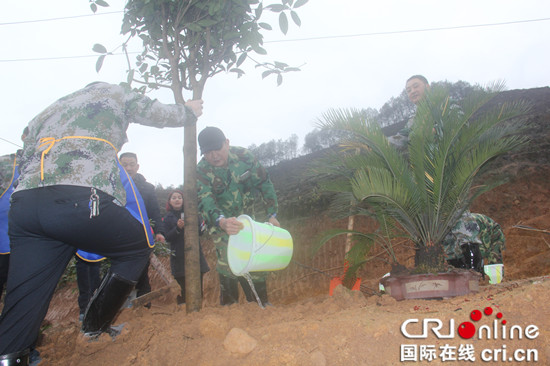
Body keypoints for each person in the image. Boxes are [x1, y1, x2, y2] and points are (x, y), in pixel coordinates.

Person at [0, 81, 203, 364]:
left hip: (25, 205)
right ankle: (94, 329)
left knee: (25, 294)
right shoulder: (113, 92)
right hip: (80, 196)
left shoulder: (53, 106)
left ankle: (10, 355)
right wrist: (189, 112)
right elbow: (154, 111)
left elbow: (26, 143)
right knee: (136, 248)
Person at [196, 126, 279, 307]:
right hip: (222, 224)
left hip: (249, 221)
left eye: (217, 149)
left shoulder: (245, 157)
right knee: (228, 263)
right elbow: (205, 201)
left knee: (255, 259)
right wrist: (222, 222)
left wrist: (272, 214)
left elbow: (265, 182)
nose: (214, 155)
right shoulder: (201, 171)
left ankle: (261, 304)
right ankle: (229, 307)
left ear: (227, 143)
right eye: (208, 152)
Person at [119, 152, 165, 304]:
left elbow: (155, 212)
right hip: (117, 237)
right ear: (119, 166)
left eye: (132, 164)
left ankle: (145, 305)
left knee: (142, 270)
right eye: (124, 164)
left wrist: (159, 231)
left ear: (137, 166)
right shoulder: (112, 186)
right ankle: (121, 307)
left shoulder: (147, 188)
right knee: (119, 271)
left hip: (141, 236)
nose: (129, 168)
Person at [162, 190, 209, 305]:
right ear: (170, 202)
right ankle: (182, 312)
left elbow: (201, 231)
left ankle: (198, 310)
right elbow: (167, 237)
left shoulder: (192, 213)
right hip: (179, 257)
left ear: (184, 200)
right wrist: (177, 228)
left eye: (179, 197)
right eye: (174, 198)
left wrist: (203, 223)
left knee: (197, 285)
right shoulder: (167, 218)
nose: (177, 199)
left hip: (195, 255)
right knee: (181, 288)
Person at [388, 75, 430, 148]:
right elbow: (401, 137)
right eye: (409, 90)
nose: (412, 91)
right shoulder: (413, 121)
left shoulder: (444, 107)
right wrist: (378, 144)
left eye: (416, 86)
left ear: (427, 87)